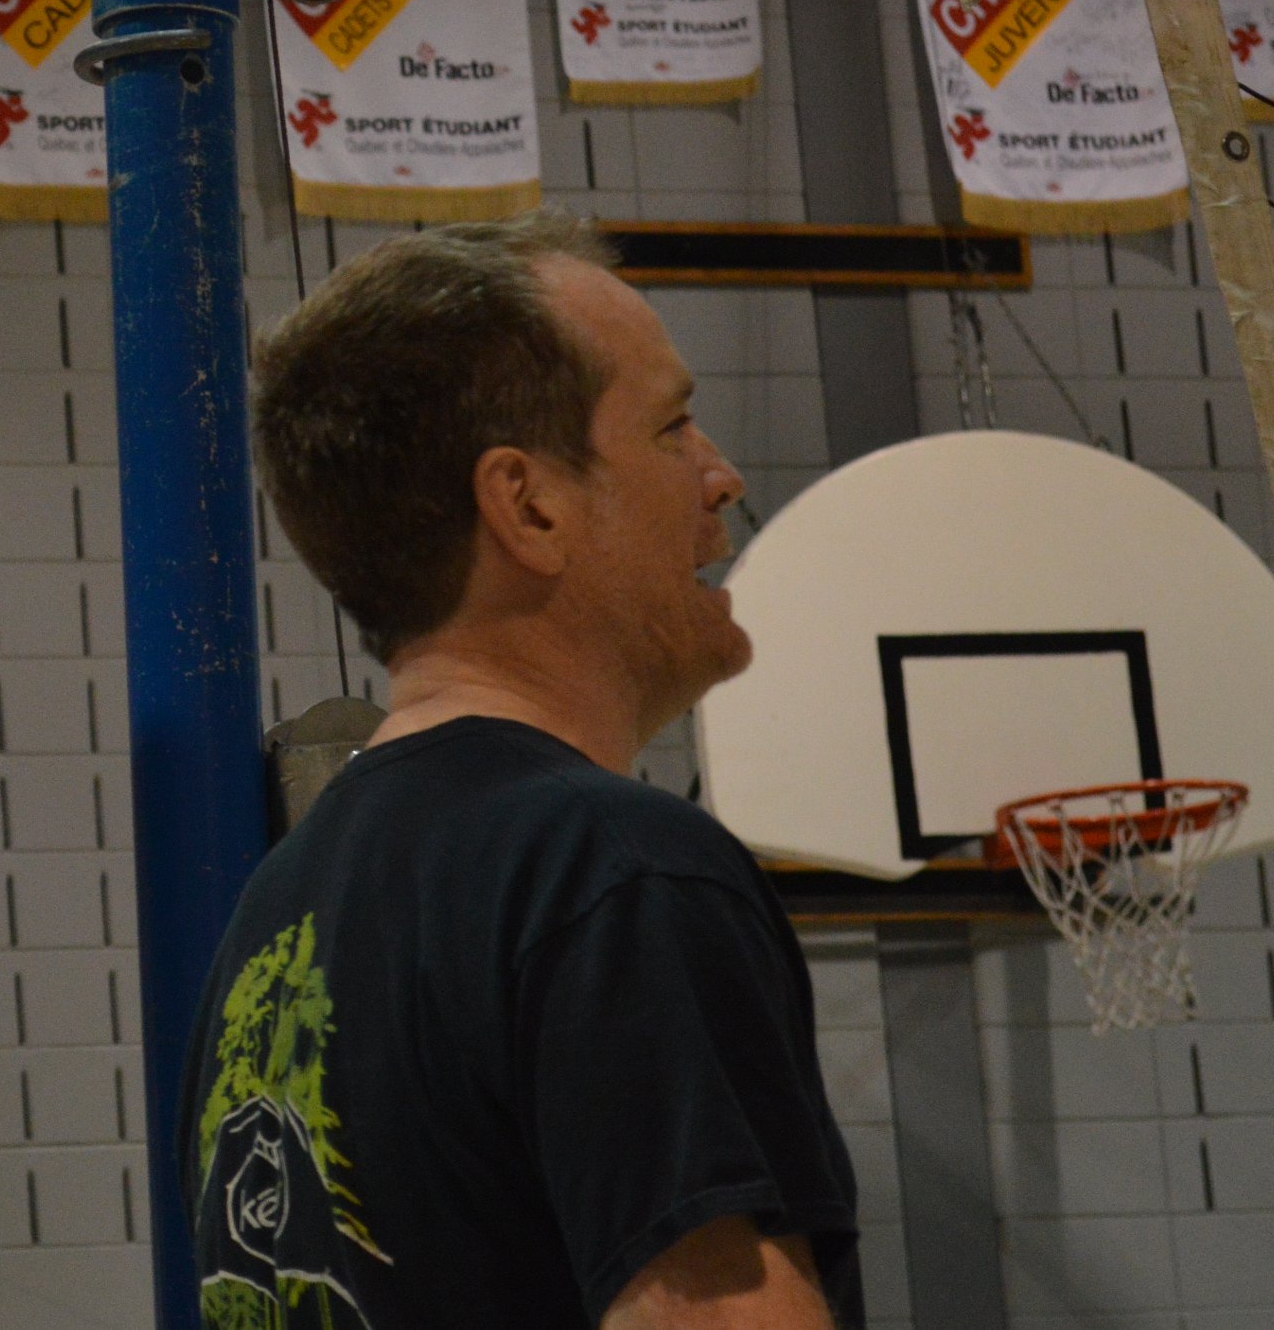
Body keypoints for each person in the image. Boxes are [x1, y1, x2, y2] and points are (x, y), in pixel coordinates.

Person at [183, 211, 861, 1329]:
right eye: (672, 427)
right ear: (529, 504)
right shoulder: (617, 874)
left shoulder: (273, 918)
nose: (723, 477)